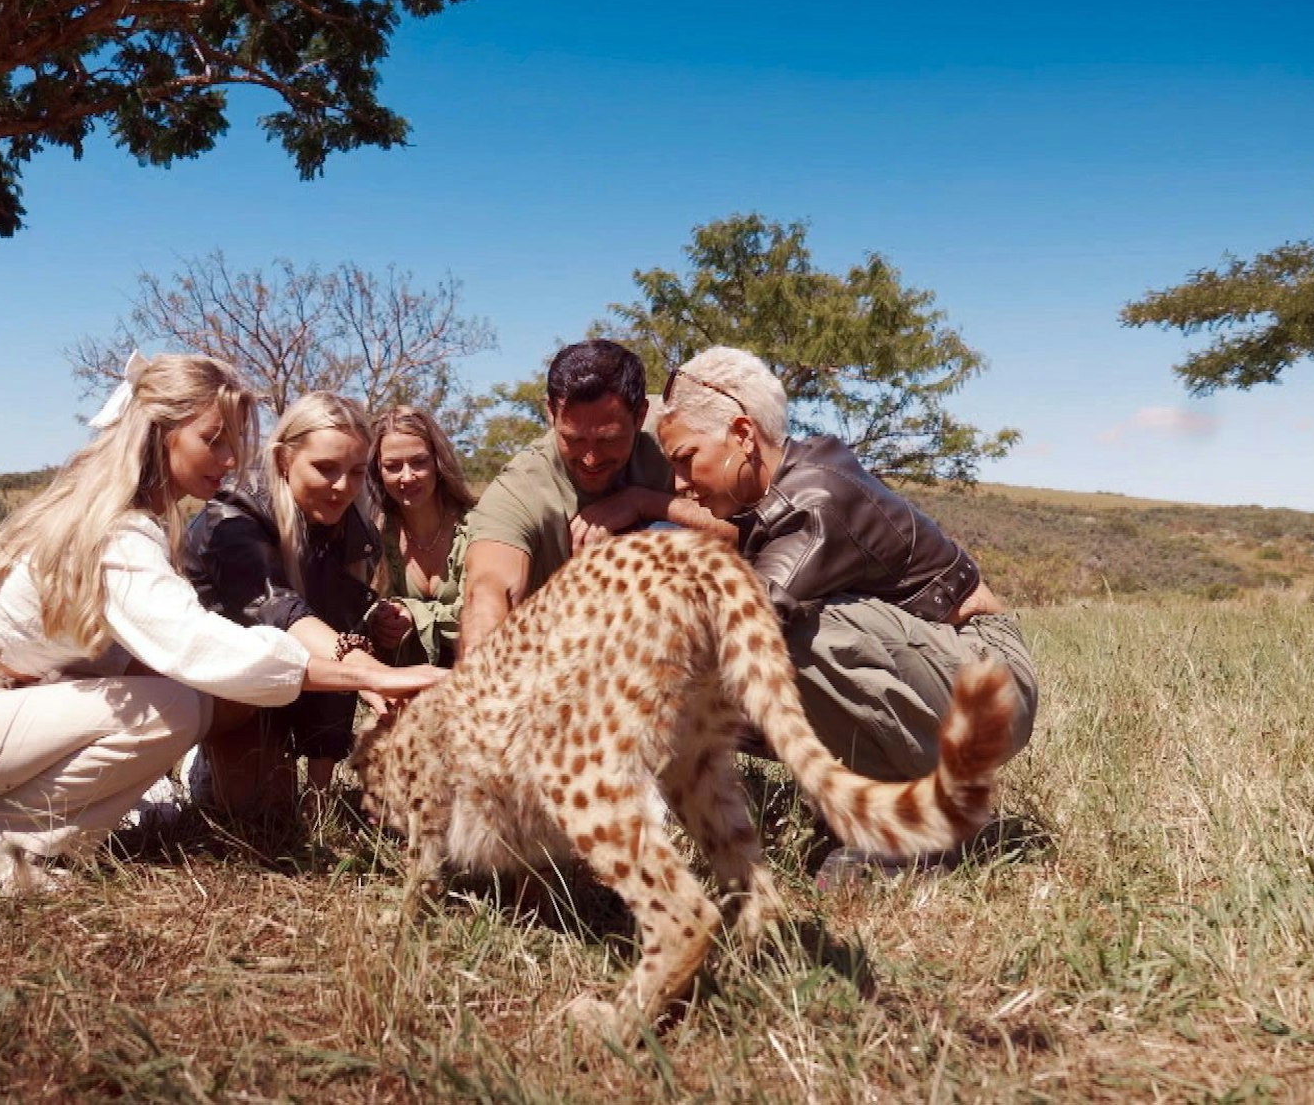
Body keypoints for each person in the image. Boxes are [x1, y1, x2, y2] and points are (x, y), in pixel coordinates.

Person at [0, 356, 447, 893]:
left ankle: (31, 831)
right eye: (213, 440)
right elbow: (198, 647)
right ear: (160, 433)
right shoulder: (119, 535)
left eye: (234, 443)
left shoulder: (132, 519)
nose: (228, 460)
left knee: (177, 700)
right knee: (177, 706)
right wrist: (367, 675)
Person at [652, 345, 1039, 875]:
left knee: (790, 633)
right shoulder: (782, 485)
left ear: (742, 435)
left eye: (685, 458)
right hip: (951, 684)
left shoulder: (813, 501)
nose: (679, 482)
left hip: (991, 691)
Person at [180, 391, 413, 804]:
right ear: (285, 459)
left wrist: (319, 792)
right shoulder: (232, 516)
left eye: (357, 472)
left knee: (287, 807)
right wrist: (371, 673)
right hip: (231, 686)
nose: (342, 487)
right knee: (255, 804)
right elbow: (277, 608)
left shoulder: (354, 529)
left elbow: (339, 639)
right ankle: (194, 760)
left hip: (302, 678)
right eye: (325, 468)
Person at [458, 338, 731, 655]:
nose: (591, 459)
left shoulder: (680, 433)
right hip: (565, 647)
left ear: (641, 415)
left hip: (691, 635)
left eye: (608, 440)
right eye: (574, 440)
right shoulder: (520, 489)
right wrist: (480, 665)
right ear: (551, 413)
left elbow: (752, 528)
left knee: (666, 536)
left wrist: (644, 502)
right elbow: (488, 587)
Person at [369, 404, 475, 667]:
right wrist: (381, 620)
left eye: (419, 462)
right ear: (378, 471)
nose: (407, 477)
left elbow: (481, 615)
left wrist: (415, 614)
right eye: (393, 466)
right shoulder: (374, 537)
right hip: (400, 682)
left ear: (438, 462)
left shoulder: (476, 527)